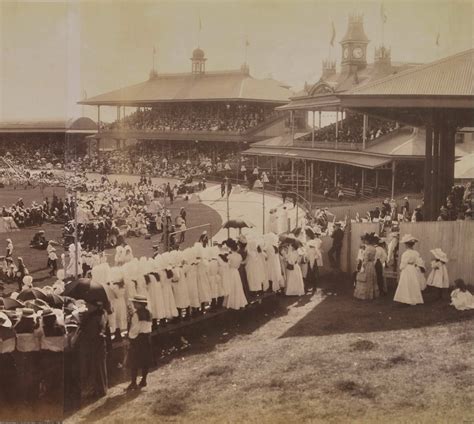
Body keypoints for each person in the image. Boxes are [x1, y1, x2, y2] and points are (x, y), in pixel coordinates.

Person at [126, 295, 153, 391]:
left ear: (140, 304)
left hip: (138, 339)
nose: (133, 304)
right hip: (147, 338)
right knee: (145, 360)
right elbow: (149, 326)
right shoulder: (149, 313)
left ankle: (133, 383)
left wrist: (130, 337)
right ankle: (144, 380)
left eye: (135, 303)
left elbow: (135, 329)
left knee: (134, 361)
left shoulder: (136, 315)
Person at [393, 235, 424, 305]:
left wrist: (401, 268)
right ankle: (413, 299)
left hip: (407, 269)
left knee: (406, 284)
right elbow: (418, 261)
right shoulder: (416, 253)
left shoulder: (406, 253)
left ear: (407, 245)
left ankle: (406, 299)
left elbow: (403, 263)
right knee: (413, 283)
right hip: (413, 269)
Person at [354, 233, 379, 300]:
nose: (365, 241)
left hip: (367, 264)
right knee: (371, 279)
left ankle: (365, 295)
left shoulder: (367, 249)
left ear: (368, 241)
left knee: (365, 279)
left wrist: (363, 266)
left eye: (366, 240)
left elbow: (365, 259)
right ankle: (371, 294)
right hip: (372, 265)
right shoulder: (374, 248)